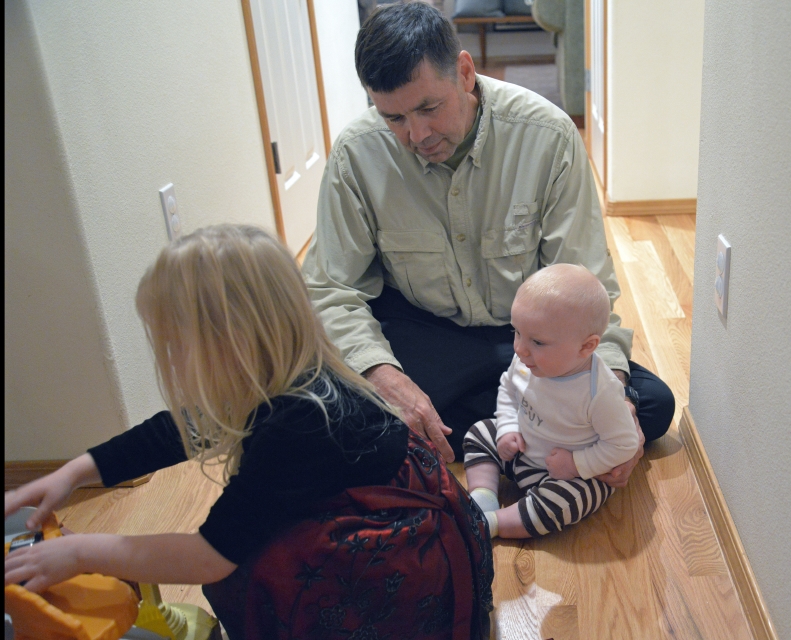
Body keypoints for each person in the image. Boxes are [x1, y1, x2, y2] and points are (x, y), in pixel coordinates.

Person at [4, 224, 493, 640]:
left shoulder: (303, 421)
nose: (168, 355)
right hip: (381, 529)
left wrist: (81, 552)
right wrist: (74, 473)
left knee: (250, 562)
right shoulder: (281, 375)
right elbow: (175, 430)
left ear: (226, 342)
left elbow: (208, 558)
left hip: (400, 579)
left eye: (173, 341)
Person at [301, 1, 674, 473]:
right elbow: (332, 289)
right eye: (394, 118)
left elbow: (586, 280)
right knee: (316, 412)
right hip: (423, 331)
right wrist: (385, 377)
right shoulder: (356, 154)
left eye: (428, 108)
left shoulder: (548, 135)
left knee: (652, 404)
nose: (417, 134)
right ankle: (529, 431)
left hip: (527, 335)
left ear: (464, 72)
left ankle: (458, 430)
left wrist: (615, 393)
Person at [463, 264, 640, 538]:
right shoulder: (526, 360)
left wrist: (577, 464)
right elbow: (508, 389)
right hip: (520, 450)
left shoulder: (600, 392)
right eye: (516, 332)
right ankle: (481, 498)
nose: (519, 348)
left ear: (587, 346)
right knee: (479, 432)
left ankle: (493, 523)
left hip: (562, 475)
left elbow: (623, 444)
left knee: (573, 498)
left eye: (537, 342)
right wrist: (508, 428)